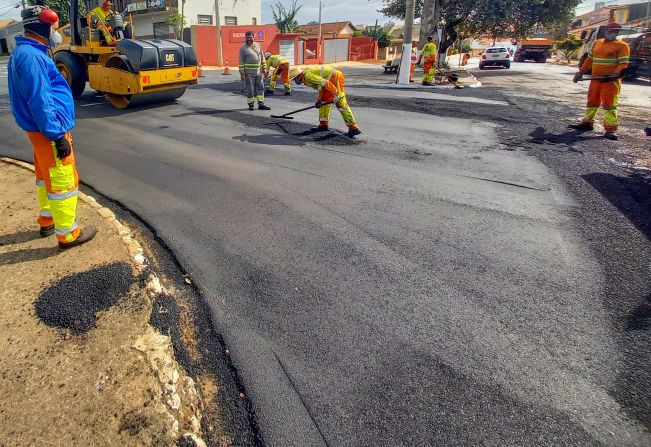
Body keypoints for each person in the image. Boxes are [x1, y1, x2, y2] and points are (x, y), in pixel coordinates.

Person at [8, 4, 97, 249]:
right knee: (62, 178)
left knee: (44, 175)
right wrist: (57, 134)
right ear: (43, 26)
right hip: (48, 131)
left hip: (38, 131)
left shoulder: (25, 52)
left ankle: (47, 221)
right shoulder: (33, 57)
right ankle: (68, 234)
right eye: (52, 27)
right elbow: (41, 99)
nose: (55, 32)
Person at [571, 21, 630, 140]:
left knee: (610, 105)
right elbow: (589, 60)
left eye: (616, 31)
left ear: (618, 32)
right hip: (596, 79)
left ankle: (610, 129)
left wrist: (614, 74)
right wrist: (580, 72)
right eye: (611, 30)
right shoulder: (597, 43)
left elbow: (623, 64)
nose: (613, 33)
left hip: (611, 82)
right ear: (606, 30)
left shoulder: (622, 46)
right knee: (592, 101)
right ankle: (587, 123)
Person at [289, 66, 361, 138]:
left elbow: (325, 83)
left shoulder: (307, 76)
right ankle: (323, 125)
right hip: (329, 81)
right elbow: (321, 86)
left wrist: (335, 94)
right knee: (323, 103)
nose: (295, 81)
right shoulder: (306, 78)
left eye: (294, 79)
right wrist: (319, 99)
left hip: (335, 78)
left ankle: (353, 128)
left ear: (298, 76)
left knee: (341, 104)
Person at [239, 31, 269, 111]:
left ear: (253, 37)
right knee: (250, 89)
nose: (249, 39)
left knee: (260, 87)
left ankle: (261, 104)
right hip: (248, 73)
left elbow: (262, 56)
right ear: (245, 38)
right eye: (247, 38)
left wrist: (264, 67)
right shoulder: (242, 48)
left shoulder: (258, 45)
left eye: (250, 37)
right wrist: (242, 73)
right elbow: (241, 61)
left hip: (258, 72)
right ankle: (251, 105)